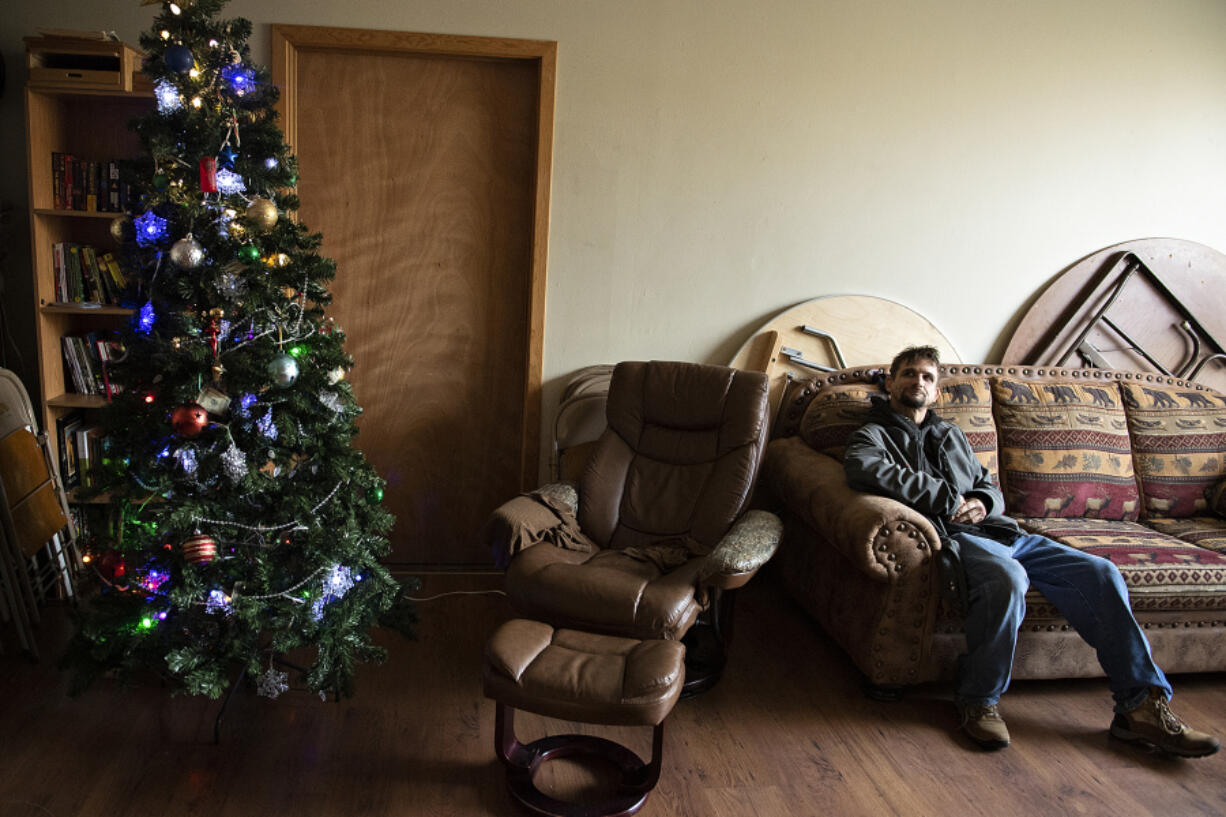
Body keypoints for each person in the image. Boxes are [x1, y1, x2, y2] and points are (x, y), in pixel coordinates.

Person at [842, 345, 1219, 757]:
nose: (918, 381)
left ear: (936, 393)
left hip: (1005, 532)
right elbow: (864, 469)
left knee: (1101, 573)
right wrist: (948, 500)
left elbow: (988, 485)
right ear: (891, 382)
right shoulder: (872, 433)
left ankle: (1139, 706)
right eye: (909, 373)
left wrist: (984, 502)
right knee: (1008, 579)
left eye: (928, 377)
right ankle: (978, 699)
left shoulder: (950, 435)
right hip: (956, 537)